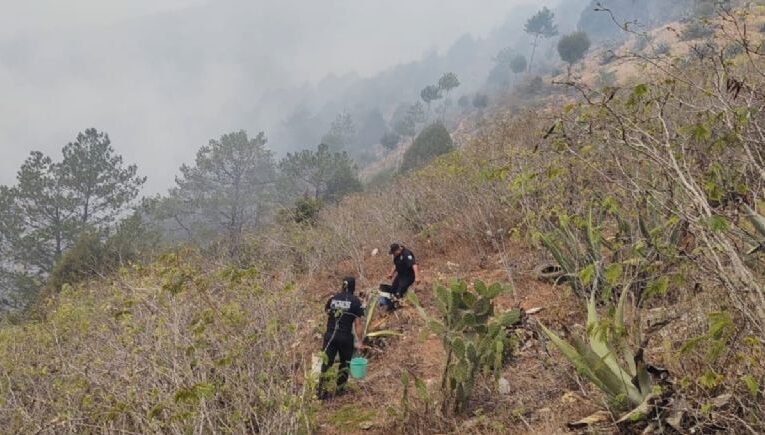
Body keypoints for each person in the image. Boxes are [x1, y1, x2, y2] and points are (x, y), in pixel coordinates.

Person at [319, 277, 365, 398]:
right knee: (345, 363)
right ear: (353, 287)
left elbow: (327, 313)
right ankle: (340, 390)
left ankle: (321, 392)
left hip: (330, 336)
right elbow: (358, 324)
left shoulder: (332, 298)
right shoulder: (356, 301)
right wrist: (359, 341)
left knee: (326, 363)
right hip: (345, 337)